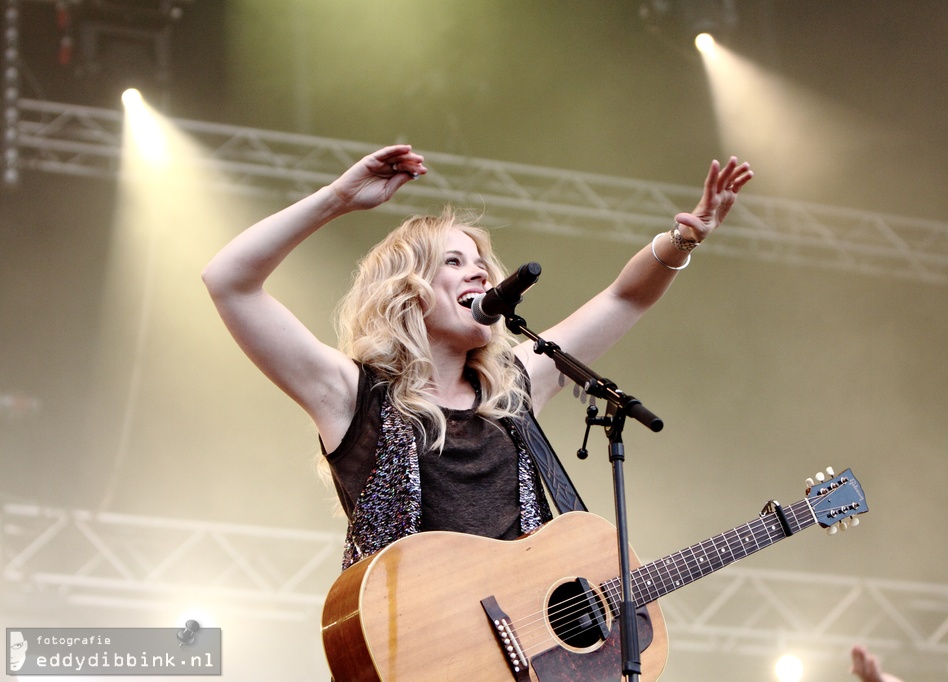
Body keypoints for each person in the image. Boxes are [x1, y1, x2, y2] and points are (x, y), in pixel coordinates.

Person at [202, 144, 752, 569]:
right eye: (454, 261)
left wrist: (683, 239)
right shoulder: (351, 395)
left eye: (482, 262)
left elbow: (623, 297)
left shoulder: (514, 389)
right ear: (408, 290)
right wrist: (337, 199)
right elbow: (229, 281)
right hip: (410, 654)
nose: (480, 272)